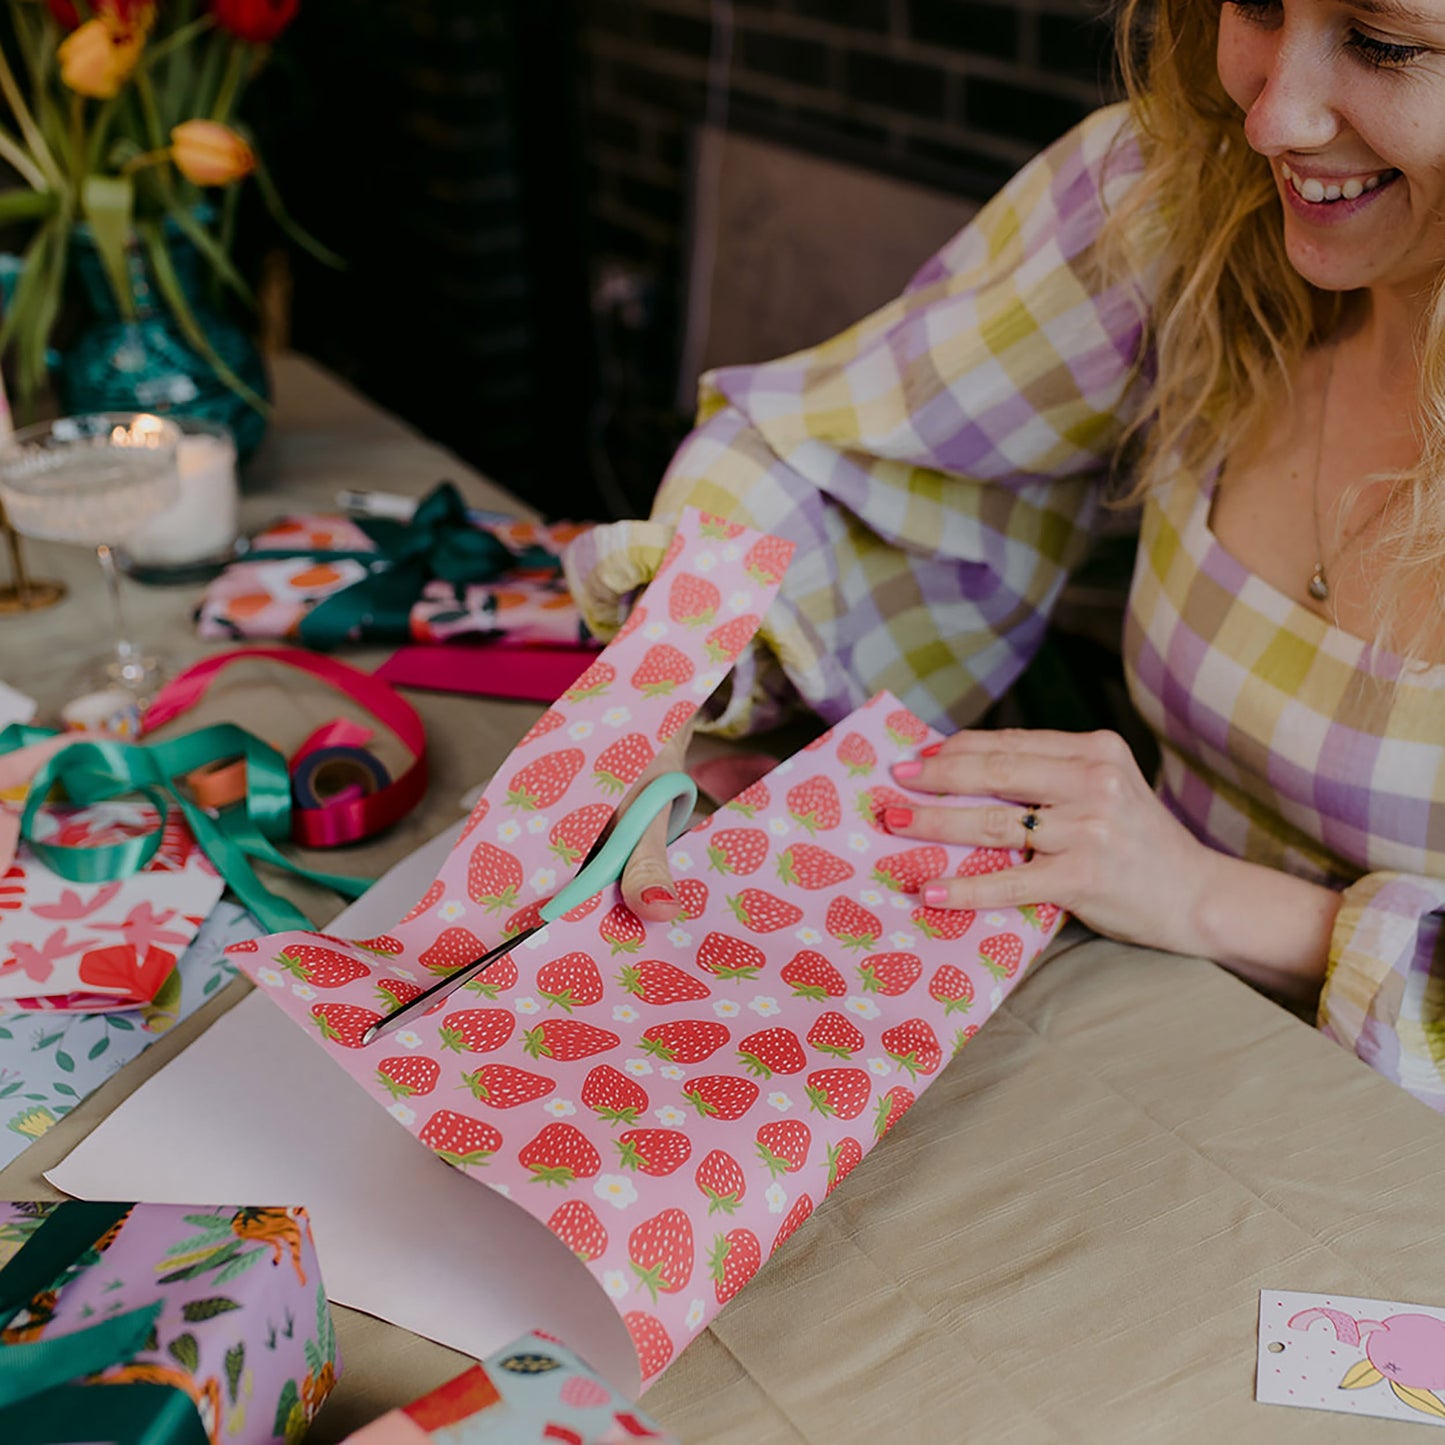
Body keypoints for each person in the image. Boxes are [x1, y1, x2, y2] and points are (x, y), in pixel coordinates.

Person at [562, 0, 1445, 1112]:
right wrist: (670, 683)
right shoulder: (1182, 196)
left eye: (1383, 44)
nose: (1271, 117)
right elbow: (838, 452)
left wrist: (1213, 897)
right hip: (1147, 1047)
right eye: (1258, 4)